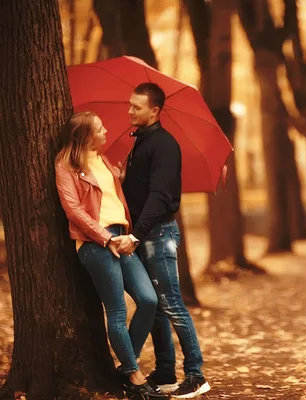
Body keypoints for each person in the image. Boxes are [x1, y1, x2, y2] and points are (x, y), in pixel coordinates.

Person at [55, 112, 168, 400]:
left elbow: (111, 197)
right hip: (96, 243)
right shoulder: (66, 164)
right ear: (85, 135)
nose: (106, 131)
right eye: (100, 128)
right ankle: (134, 377)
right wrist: (106, 239)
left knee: (148, 300)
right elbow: (74, 211)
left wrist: (120, 177)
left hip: (123, 237)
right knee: (117, 310)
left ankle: (126, 366)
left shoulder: (103, 160)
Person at [117, 82, 211, 398]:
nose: (130, 111)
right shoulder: (141, 143)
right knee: (156, 307)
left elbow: (159, 196)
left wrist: (135, 234)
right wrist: (122, 179)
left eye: (137, 107)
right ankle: (166, 372)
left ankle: (196, 374)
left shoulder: (164, 144)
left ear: (155, 110)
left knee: (172, 305)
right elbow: (142, 190)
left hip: (158, 235)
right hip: (146, 235)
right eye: (130, 105)